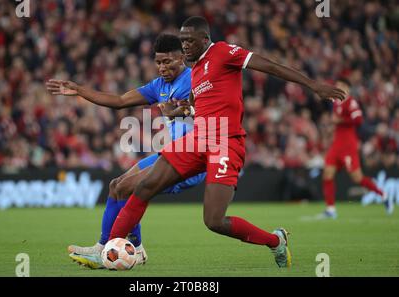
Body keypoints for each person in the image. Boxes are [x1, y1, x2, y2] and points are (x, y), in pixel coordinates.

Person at [105, 16, 347, 268]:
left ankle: (275, 241)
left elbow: (270, 66)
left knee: (214, 221)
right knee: (145, 186)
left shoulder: (223, 52)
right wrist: (175, 112)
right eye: (182, 40)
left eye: (189, 40)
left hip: (225, 141)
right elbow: (195, 106)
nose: (185, 45)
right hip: (199, 138)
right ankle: (110, 250)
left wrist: (313, 85)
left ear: (205, 39)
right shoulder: (197, 70)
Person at [46, 34, 206, 268]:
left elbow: (207, 112)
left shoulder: (194, 81)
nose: (162, 67)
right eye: (158, 62)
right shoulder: (159, 86)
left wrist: (187, 109)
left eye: (168, 62)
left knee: (125, 188)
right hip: (170, 155)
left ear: (182, 58)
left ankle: (109, 249)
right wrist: (80, 90)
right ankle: (122, 248)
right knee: (116, 184)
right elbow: (120, 100)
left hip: (190, 162)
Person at [319, 78, 393, 219]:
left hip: (348, 145)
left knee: (357, 178)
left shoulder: (351, 102)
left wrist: (340, 120)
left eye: (340, 85)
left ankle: (384, 195)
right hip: (336, 145)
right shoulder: (336, 102)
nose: (337, 87)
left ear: (347, 87)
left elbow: (358, 120)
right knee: (327, 174)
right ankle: (330, 209)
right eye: (337, 85)